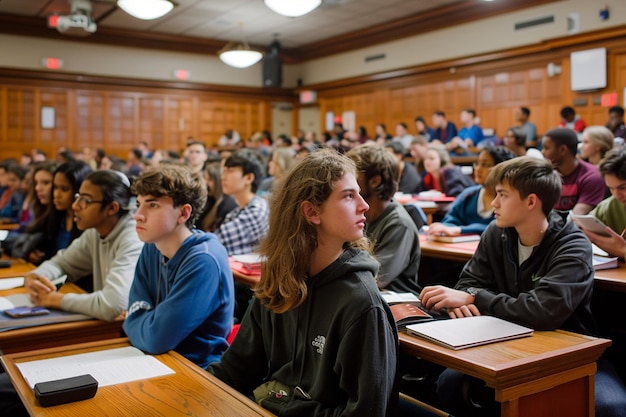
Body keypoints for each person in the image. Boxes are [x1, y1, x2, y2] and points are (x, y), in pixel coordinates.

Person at [420, 156, 626, 417]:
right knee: (450, 384)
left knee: (610, 407)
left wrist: (474, 299)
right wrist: (469, 296)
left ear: (531, 201)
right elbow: (468, 283)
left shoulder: (572, 244)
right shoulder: (496, 232)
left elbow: (543, 311)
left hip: (569, 352)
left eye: (503, 195)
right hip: (501, 342)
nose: (494, 203)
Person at [208, 149, 398, 416]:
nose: (364, 204)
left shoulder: (362, 304)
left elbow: (365, 412)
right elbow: (235, 370)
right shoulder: (279, 280)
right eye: (348, 196)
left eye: (359, 193)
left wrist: (278, 401)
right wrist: (194, 390)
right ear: (311, 212)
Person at [124, 164, 234, 368]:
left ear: (183, 213)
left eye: (152, 205)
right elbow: (131, 316)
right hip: (153, 360)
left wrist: (140, 321)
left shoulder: (204, 260)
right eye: (138, 204)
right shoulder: (153, 245)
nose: (138, 214)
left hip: (198, 370)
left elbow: (156, 339)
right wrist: (141, 322)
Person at [23, 170, 143, 321]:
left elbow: (113, 304)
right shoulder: (95, 232)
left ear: (112, 208)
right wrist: (35, 278)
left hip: (133, 333)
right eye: (77, 197)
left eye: (86, 200)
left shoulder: (133, 238)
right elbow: (62, 264)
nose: (75, 206)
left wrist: (54, 299)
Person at [347, 143, 421, 295]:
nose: (347, 180)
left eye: (353, 174)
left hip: (395, 304)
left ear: (375, 181)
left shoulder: (399, 224)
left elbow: (375, 278)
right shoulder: (359, 215)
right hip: (362, 297)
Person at [14, 160, 92, 265]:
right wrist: (31, 252)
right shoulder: (56, 216)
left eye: (64, 189)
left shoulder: (89, 224)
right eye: (55, 188)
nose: (57, 194)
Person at [427, 146, 516, 237]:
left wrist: (460, 230)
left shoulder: (510, 199)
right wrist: (444, 228)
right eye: (477, 163)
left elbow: (500, 228)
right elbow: (449, 220)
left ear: (501, 168)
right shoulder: (468, 194)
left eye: (485, 165)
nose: (478, 169)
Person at [215, 149, 269, 256]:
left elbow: (214, 243)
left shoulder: (256, 211)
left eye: (230, 171)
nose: (223, 177)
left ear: (249, 178)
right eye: (224, 171)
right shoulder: (238, 210)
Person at [541, 127, 605, 214]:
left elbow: (576, 218)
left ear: (562, 150)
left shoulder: (592, 176)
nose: (542, 152)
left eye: (546, 148)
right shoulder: (544, 174)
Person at [582, 150, 626, 258]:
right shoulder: (610, 206)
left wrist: (623, 251)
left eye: (623, 187)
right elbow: (582, 227)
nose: (617, 195)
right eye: (611, 188)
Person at [198, 160, 237, 232]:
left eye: (209, 179)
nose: (205, 182)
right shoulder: (210, 199)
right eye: (205, 178)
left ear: (218, 181)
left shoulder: (227, 204)